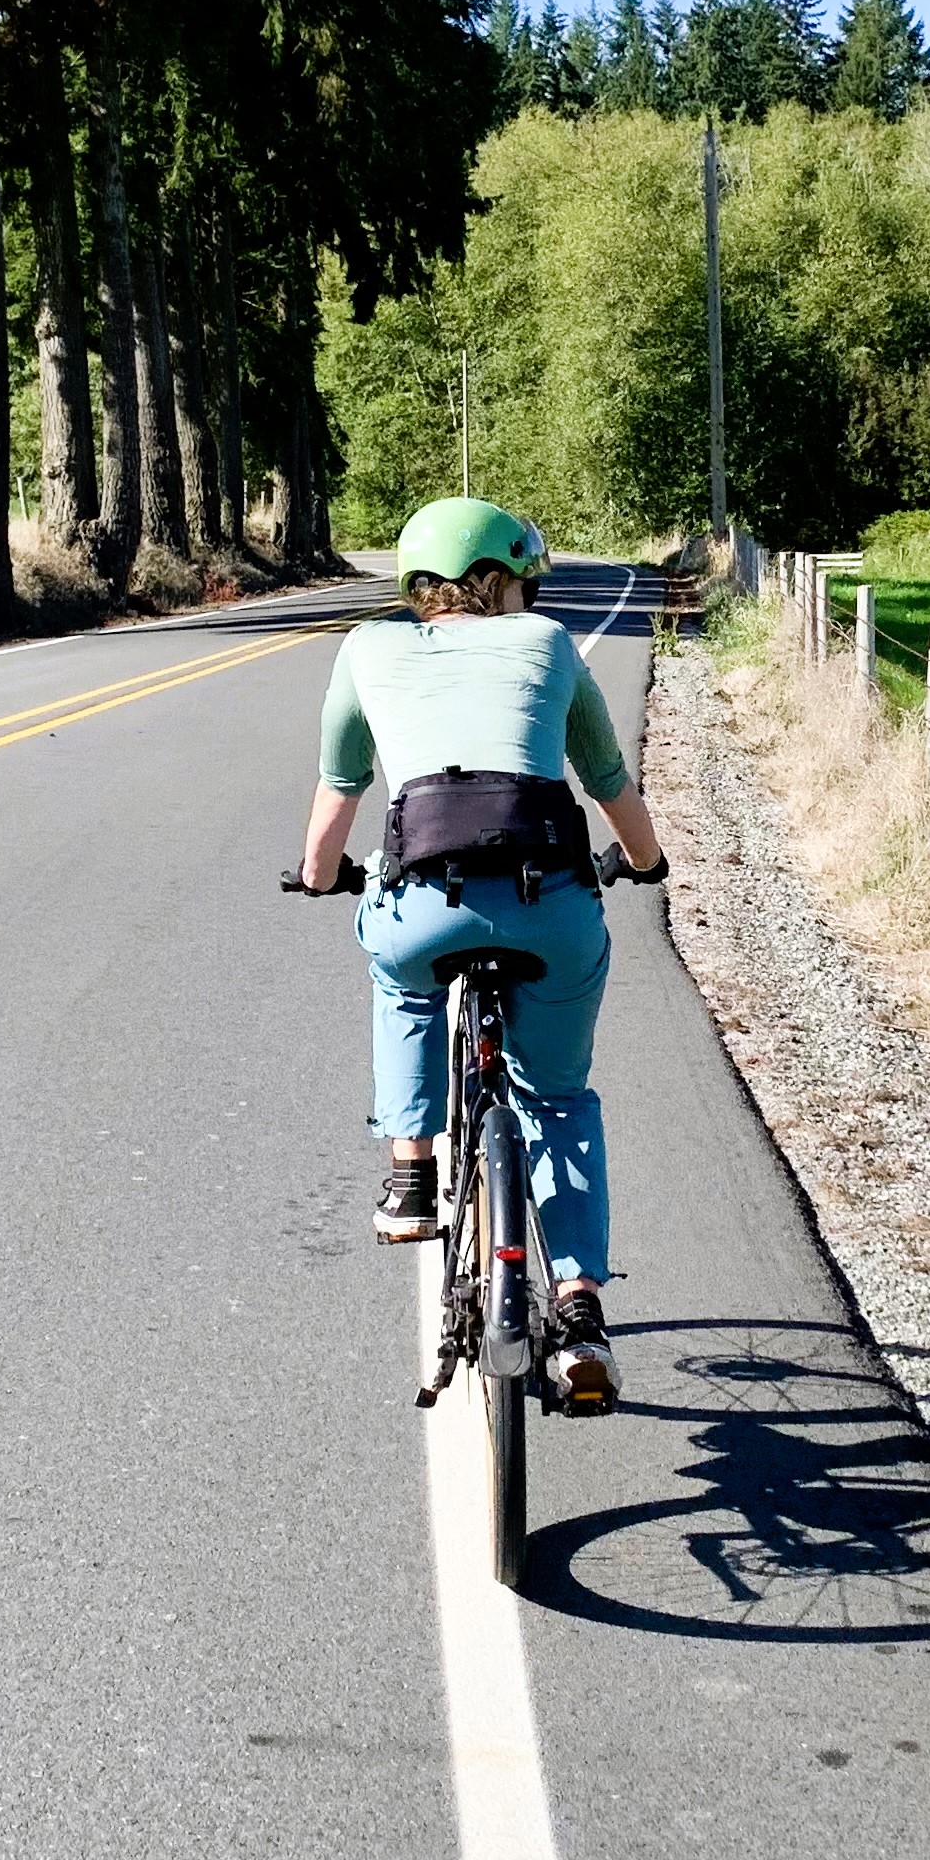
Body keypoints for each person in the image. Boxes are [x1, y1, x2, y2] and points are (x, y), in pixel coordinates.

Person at [294, 496, 666, 1412]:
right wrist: (648, 863)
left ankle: (412, 1172)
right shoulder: (545, 643)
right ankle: (579, 1313)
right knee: (560, 1096)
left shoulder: (368, 648)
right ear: (497, 581)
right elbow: (609, 783)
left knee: (402, 977)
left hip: (424, 898)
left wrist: (317, 877)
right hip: (553, 906)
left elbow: (337, 797)